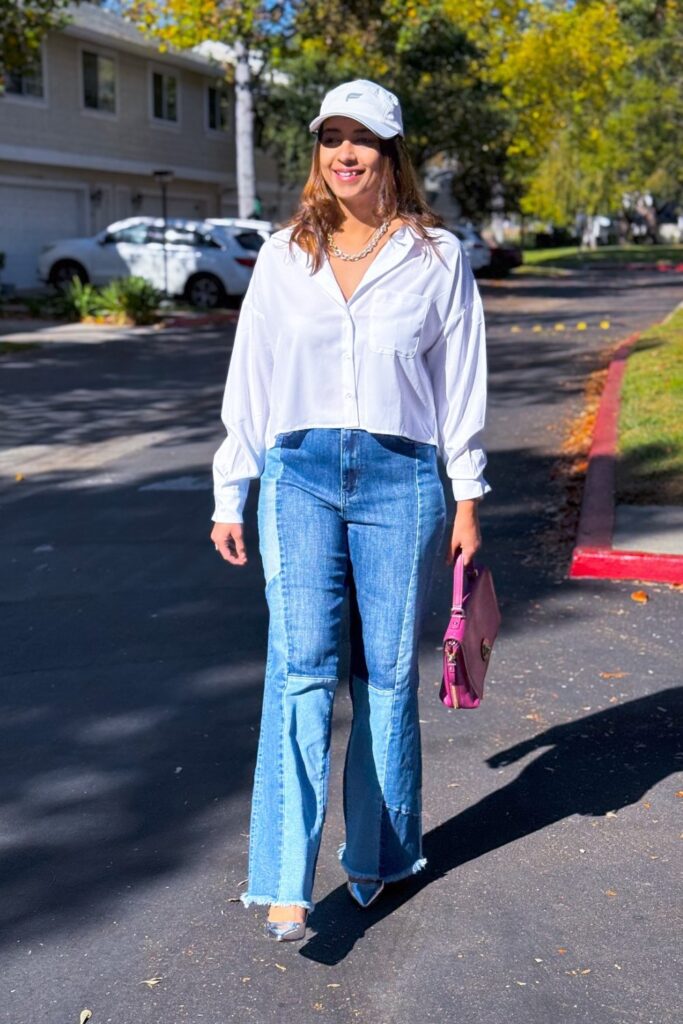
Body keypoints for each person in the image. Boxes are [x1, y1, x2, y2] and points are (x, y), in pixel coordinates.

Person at [210, 79, 490, 942]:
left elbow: (460, 387)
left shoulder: (437, 258)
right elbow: (250, 379)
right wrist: (233, 486)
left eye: (361, 138)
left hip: (400, 477)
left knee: (384, 676)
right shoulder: (284, 255)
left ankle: (374, 854)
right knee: (299, 666)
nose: (344, 153)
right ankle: (284, 879)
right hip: (296, 473)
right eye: (332, 137)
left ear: (390, 153)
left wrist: (467, 497)